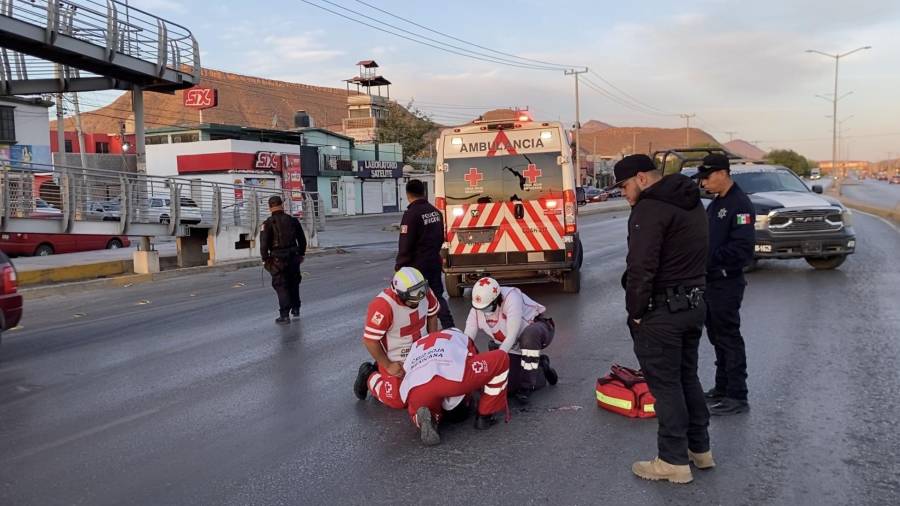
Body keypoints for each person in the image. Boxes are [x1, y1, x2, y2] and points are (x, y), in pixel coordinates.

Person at [613, 154, 713, 484]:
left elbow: (641, 267)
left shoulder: (650, 209)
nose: (624, 194)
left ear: (642, 178)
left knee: (666, 386)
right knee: (687, 377)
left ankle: (672, 460)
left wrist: (637, 312)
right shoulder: (690, 202)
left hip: (662, 311)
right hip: (694, 304)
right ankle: (699, 449)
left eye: (625, 185)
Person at [693, 154, 755, 416]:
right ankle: (722, 387)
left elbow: (742, 250)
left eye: (706, 177)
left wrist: (708, 259)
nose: (703, 183)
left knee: (729, 337)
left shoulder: (739, 205)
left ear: (721, 173)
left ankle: (737, 395)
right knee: (717, 337)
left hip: (726, 281)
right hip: (712, 280)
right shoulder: (717, 203)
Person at [400, 328, 510, 446]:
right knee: (501, 359)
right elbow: (473, 358)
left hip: (417, 386)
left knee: (418, 405)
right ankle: (485, 416)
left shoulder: (417, 344)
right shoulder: (462, 338)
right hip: (450, 380)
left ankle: (425, 418)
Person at [353, 267, 440, 409]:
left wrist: (432, 343)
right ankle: (369, 375)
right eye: (413, 297)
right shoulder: (383, 305)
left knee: (437, 385)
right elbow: (370, 340)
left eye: (421, 292)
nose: (418, 299)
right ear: (400, 294)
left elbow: (432, 314)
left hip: (421, 353)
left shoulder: (425, 293)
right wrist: (388, 365)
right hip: (396, 359)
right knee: (398, 399)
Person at [463, 277, 558, 403]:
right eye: (479, 308)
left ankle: (528, 385)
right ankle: (540, 365)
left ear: (496, 299)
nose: (483, 312)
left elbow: (512, 335)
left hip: (536, 330)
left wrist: (495, 363)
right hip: (509, 346)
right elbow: (467, 339)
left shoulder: (511, 298)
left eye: (486, 308)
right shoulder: (477, 309)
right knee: (507, 388)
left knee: (529, 336)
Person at [395, 179, 455, 329]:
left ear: (408, 194)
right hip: (433, 262)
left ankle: (421, 334)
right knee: (437, 296)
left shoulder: (411, 214)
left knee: (415, 300)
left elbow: (405, 244)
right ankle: (450, 328)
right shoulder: (435, 212)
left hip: (416, 268)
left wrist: (400, 266)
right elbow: (441, 238)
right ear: (424, 192)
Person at [260, 195, 306, 325]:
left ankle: (284, 315)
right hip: (293, 256)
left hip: (277, 259)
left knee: (281, 285)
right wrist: (301, 254)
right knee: (294, 282)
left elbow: (263, 244)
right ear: (282, 205)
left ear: (269, 208)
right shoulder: (293, 221)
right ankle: (296, 308)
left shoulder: (267, 223)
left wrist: (265, 260)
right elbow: (302, 240)